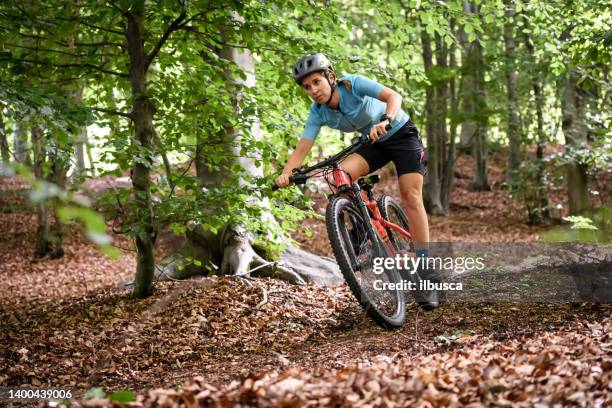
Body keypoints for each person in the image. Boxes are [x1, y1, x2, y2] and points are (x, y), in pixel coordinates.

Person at [275, 53, 438, 308]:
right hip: (373, 142)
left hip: (400, 133)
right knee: (338, 173)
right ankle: (362, 226)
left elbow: (394, 97)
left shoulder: (353, 84)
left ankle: (425, 262)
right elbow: (302, 149)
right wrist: (285, 175)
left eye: (316, 82)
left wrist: (387, 119)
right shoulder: (318, 112)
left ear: (330, 76)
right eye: (307, 87)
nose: (313, 90)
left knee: (411, 196)